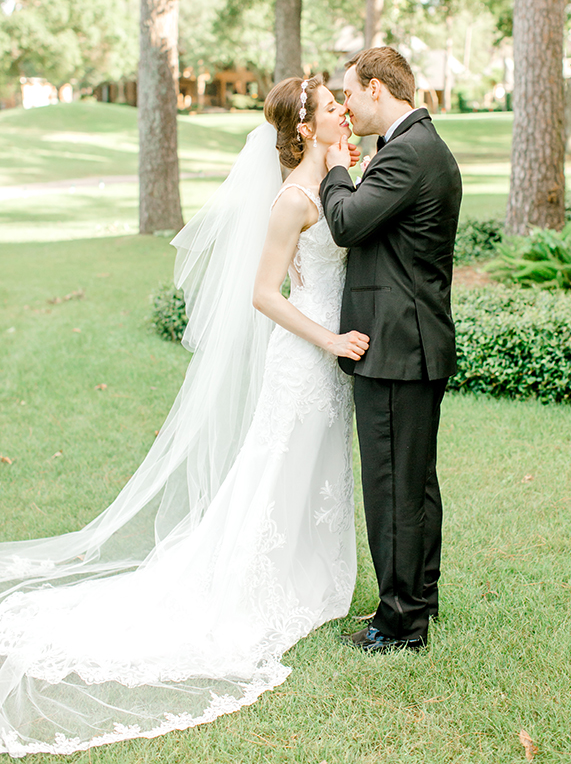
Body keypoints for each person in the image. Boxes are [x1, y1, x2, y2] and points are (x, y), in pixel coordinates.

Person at [0, 75, 368, 757]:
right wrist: (326, 339)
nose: (343, 112)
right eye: (330, 108)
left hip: (334, 359)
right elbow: (263, 294)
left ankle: (310, 572)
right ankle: (256, 583)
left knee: (316, 470)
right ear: (303, 128)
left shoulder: (341, 183)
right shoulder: (292, 201)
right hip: (308, 354)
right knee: (277, 464)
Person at [320, 46, 462, 653]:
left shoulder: (408, 152)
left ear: (377, 89)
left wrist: (331, 166)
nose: (346, 106)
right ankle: (418, 600)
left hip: (397, 345)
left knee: (393, 487)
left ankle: (400, 623)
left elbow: (347, 223)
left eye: (349, 93)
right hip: (411, 341)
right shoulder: (413, 146)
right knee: (413, 484)